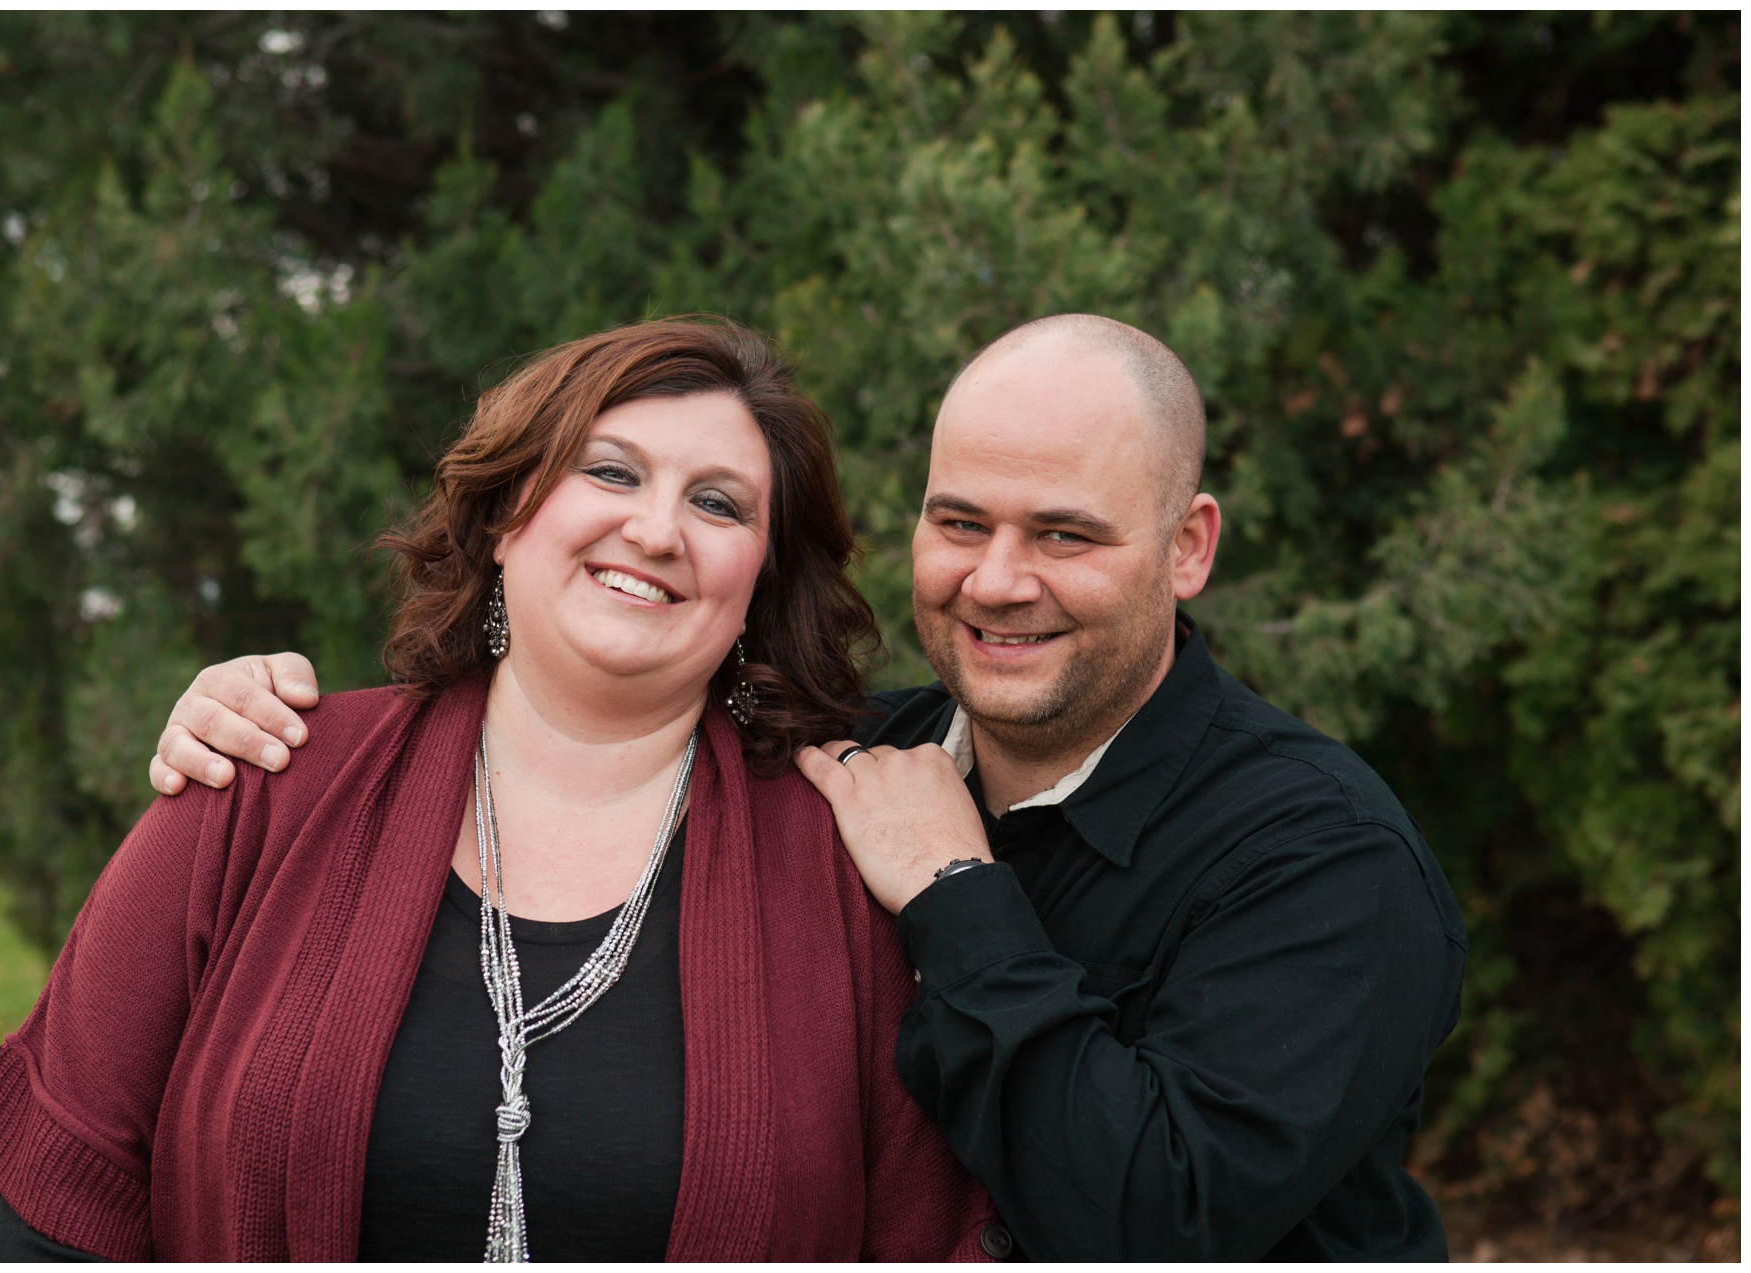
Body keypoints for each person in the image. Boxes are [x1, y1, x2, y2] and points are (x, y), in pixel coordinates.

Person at [149, 314, 1468, 1260]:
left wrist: (958, 894)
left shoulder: (1323, 862)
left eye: (1065, 534)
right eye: (961, 523)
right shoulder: (835, 767)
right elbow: (601, 686)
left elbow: (1145, 1224)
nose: (998, 580)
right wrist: (252, 709)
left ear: (1188, 548)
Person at [0, 318, 1002, 1262]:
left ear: (761, 578)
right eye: (612, 472)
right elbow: (64, 1216)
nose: (657, 529)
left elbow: (924, 1238)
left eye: (716, 503)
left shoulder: (843, 863)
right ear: (505, 513)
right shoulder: (259, 782)